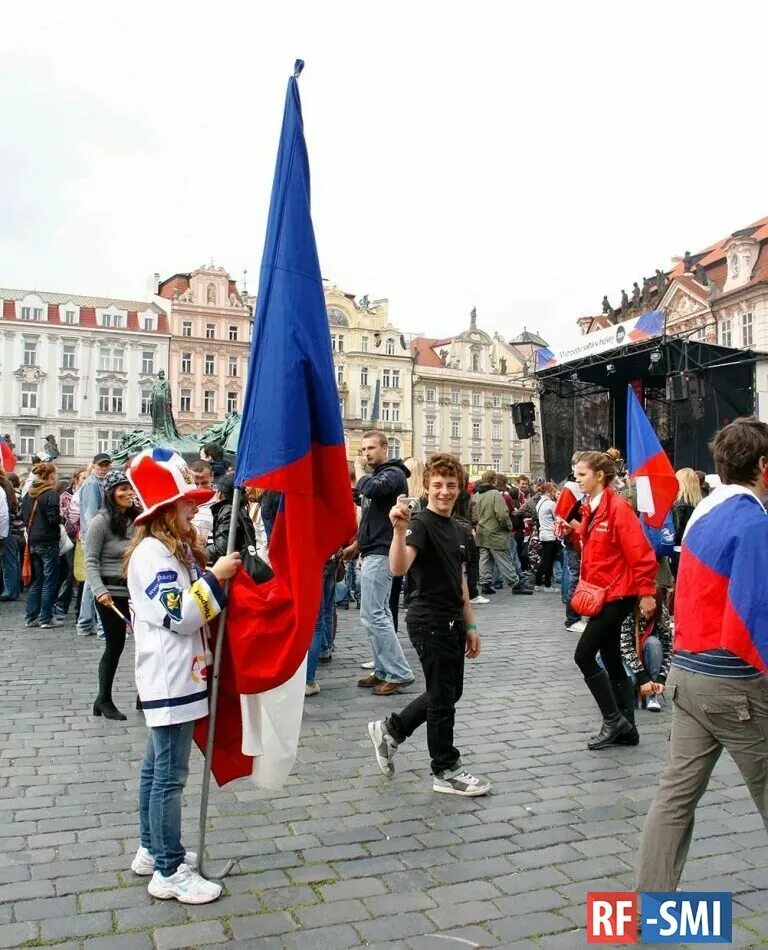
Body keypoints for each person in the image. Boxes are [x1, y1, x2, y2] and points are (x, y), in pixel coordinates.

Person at [636, 417, 768, 894]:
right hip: (734, 684)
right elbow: (754, 615)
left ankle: (648, 907)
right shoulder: (753, 522)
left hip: (688, 674)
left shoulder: (703, 516)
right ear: (764, 467)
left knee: (674, 799)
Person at [125, 448, 241, 904]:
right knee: (169, 777)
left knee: (156, 771)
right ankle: (169, 870)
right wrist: (215, 577)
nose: (195, 508)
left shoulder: (163, 550)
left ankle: (153, 851)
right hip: (171, 678)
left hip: (176, 675)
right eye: (187, 502)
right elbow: (183, 615)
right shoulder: (153, 555)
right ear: (166, 510)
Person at [368, 453, 491, 796]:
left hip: (453, 620)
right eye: (437, 485)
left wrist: (470, 626)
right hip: (428, 620)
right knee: (442, 697)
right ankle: (445, 768)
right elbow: (398, 567)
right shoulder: (419, 524)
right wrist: (397, 530)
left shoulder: (461, 529)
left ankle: (393, 730)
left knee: (451, 692)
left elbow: (461, 581)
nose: (444, 492)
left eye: (450, 485)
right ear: (426, 487)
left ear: (459, 488)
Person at [561, 451, 657, 749]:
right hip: (602, 593)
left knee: (584, 655)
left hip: (617, 594)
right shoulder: (592, 508)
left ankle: (614, 719)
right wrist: (576, 534)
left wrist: (647, 593)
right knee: (612, 658)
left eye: (581, 475)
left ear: (599, 476)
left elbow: (640, 553)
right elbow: (599, 552)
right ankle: (627, 727)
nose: (576, 480)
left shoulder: (617, 509)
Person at [355, 431, 414, 696]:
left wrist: (359, 472)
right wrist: (357, 546)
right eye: (363, 449)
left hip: (382, 551)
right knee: (379, 613)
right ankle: (382, 668)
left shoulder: (393, 474)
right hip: (373, 549)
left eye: (370, 448)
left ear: (384, 448)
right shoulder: (382, 473)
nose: (366, 453)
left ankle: (398, 672)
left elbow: (372, 489)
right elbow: (371, 515)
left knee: (373, 614)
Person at [85, 471, 142, 721]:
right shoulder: (101, 521)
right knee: (115, 645)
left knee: (145, 645)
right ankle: (103, 699)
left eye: (130, 488)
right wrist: (100, 591)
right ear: (111, 493)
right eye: (122, 489)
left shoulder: (137, 518)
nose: (128, 493)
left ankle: (146, 695)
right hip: (110, 594)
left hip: (136, 592)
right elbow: (90, 561)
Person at [21, 462, 63, 628]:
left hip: (33, 541)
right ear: (51, 475)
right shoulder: (51, 494)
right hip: (48, 541)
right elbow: (53, 519)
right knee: (50, 580)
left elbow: (24, 517)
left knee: (37, 580)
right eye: (56, 474)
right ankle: (46, 618)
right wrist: (61, 518)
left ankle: (31, 617)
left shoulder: (28, 494)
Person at [77, 454, 112, 638]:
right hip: (94, 536)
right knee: (95, 580)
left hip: (93, 535)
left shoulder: (99, 483)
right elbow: (91, 516)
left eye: (106, 465)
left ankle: (85, 623)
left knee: (92, 581)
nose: (104, 468)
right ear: (94, 466)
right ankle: (100, 628)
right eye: (101, 465)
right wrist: (99, 538)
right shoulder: (92, 484)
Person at [620, 593, 672, 712]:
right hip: (621, 655)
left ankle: (652, 693)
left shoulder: (661, 613)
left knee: (653, 643)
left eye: (652, 611)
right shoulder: (627, 610)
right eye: (645, 611)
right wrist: (643, 679)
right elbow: (625, 647)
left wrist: (661, 679)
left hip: (646, 653)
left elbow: (668, 649)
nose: (649, 614)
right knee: (630, 681)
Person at [472, 471, 518, 596]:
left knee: (484, 558)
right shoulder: (495, 495)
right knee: (503, 558)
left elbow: (474, 516)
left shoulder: (476, 495)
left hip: (481, 532)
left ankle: (485, 583)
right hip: (495, 533)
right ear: (494, 480)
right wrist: (508, 526)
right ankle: (515, 583)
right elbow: (502, 515)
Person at [55, 468, 86, 620]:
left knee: (82, 574)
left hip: (84, 539)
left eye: (87, 478)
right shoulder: (66, 496)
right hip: (71, 538)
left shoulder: (90, 493)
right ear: (76, 480)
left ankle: (80, 609)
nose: (85, 481)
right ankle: (61, 606)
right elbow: (63, 515)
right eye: (82, 478)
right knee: (69, 573)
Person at [671, 467, 702, 579]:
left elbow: (676, 532)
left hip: (679, 552)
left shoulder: (679, 506)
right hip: (695, 552)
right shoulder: (701, 505)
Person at [0, 470, 23, 601]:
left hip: (7, 529)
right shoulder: (7, 486)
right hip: (12, 529)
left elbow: (4, 514)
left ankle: (10, 591)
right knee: (12, 561)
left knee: (8, 561)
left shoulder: (3, 488)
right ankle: (13, 590)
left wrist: (2, 533)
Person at [534, 483, 558, 591]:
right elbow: (557, 518)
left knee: (545, 559)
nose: (554, 494)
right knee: (548, 560)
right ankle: (544, 583)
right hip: (550, 534)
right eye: (553, 492)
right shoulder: (551, 504)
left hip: (543, 533)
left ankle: (540, 583)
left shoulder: (539, 502)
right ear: (548, 492)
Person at [189, 461, 214, 544]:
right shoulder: (181, 502)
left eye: (204, 483)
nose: (199, 488)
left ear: (212, 477)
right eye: (195, 484)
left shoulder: (221, 502)